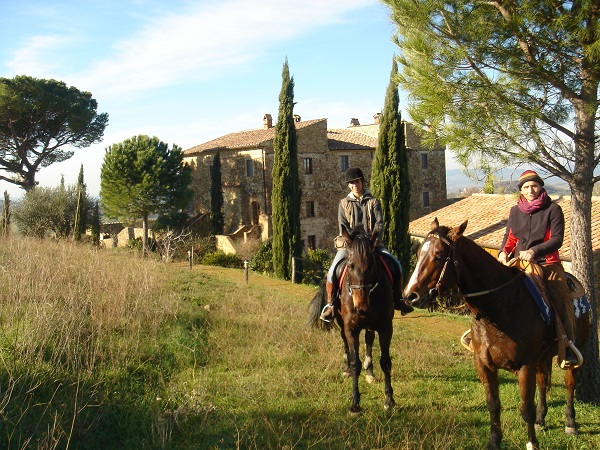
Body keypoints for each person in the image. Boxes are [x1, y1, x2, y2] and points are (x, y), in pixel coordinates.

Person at [497, 169, 582, 368]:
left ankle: (568, 346)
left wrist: (534, 251)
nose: (530, 190)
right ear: (521, 190)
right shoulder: (515, 211)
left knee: (561, 297)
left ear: (540, 186)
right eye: (526, 187)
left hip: (547, 263)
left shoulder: (553, 209)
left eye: (534, 185)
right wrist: (503, 252)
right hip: (520, 263)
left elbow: (557, 239)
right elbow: (510, 238)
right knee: (497, 290)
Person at [319, 167, 414, 322]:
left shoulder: (374, 202)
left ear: (362, 181)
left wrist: (371, 241)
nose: (354, 185)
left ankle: (398, 300)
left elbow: (379, 225)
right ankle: (331, 304)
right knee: (332, 272)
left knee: (397, 265)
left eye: (356, 181)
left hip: (372, 245)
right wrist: (353, 242)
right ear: (348, 185)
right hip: (349, 247)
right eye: (351, 183)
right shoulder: (343, 204)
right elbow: (342, 227)